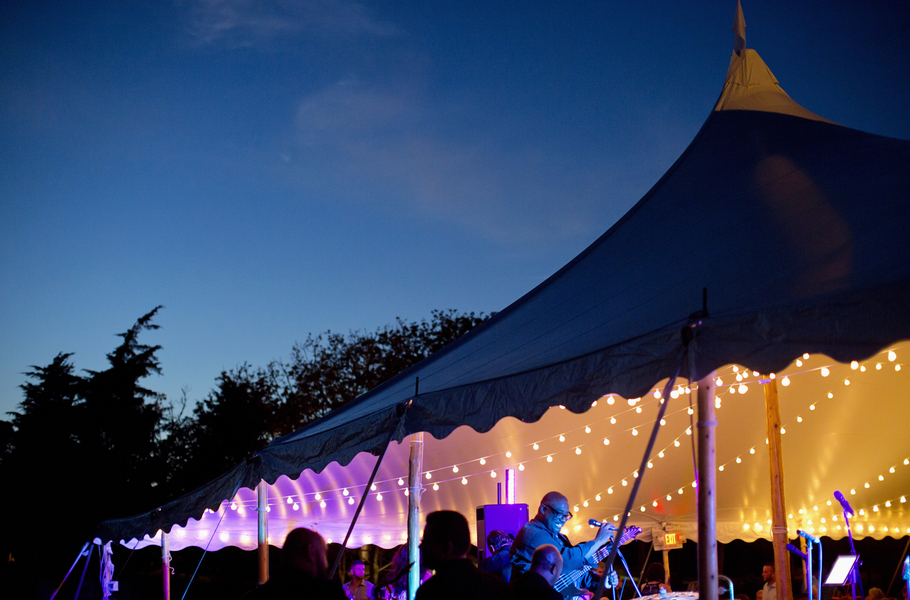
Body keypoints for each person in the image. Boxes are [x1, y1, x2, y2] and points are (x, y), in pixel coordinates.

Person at [510, 491, 616, 595]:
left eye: (566, 515)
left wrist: (602, 582)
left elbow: (574, 573)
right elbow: (567, 561)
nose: (563, 520)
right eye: (559, 513)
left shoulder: (561, 538)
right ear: (543, 509)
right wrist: (598, 541)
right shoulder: (532, 534)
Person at [415, 510, 514, 600]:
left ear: (447, 547)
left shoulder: (430, 592)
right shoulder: (500, 589)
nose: (421, 546)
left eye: (427, 541)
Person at [242, 527, 347, 599]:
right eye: (324, 554)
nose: (326, 564)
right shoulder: (329, 593)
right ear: (310, 552)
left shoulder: (253, 596)